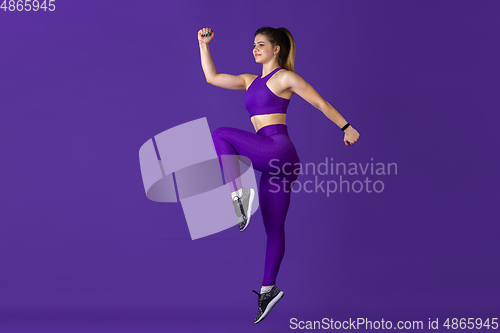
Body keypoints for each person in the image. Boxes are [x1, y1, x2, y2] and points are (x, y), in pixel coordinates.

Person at [198, 26, 360, 324]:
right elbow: (212, 78)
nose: (255, 49)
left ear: (277, 50)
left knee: (221, 134)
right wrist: (203, 45)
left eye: (261, 45)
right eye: (254, 45)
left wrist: (346, 127)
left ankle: (238, 193)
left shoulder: (284, 77)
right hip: (277, 161)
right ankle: (268, 289)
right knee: (273, 230)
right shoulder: (250, 81)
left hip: (277, 150)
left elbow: (319, 102)